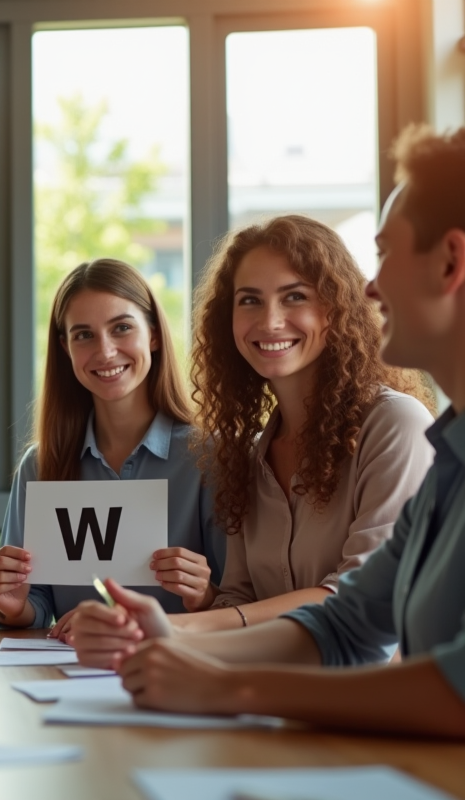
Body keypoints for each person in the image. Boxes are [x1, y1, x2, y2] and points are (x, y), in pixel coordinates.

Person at [67, 125, 465, 737]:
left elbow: (448, 683)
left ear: (450, 262)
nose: (372, 286)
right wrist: (169, 634)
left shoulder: (403, 426)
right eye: (248, 300)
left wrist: (224, 682)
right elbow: (347, 623)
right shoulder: (449, 461)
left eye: (385, 255)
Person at [165, 214, 434, 633]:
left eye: (294, 297)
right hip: (270, 690)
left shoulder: (395, 424)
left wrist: (185, 628)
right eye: (249, 300)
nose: (270, 321)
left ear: (336, 307)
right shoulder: (251, 456)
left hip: (370, 693)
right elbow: (242, 599)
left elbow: (361, 592)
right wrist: (202, 602)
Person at [0, 259, 225, 633]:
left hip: (175, 675)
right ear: (65, 348)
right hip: (64, 676)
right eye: (84, 335)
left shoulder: (210, 458)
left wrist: (205, 595)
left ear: (154, 334)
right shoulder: (41, 466)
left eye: (122, 328)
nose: (106, 351)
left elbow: (242, 604)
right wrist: (13, 608)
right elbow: (35, 603)